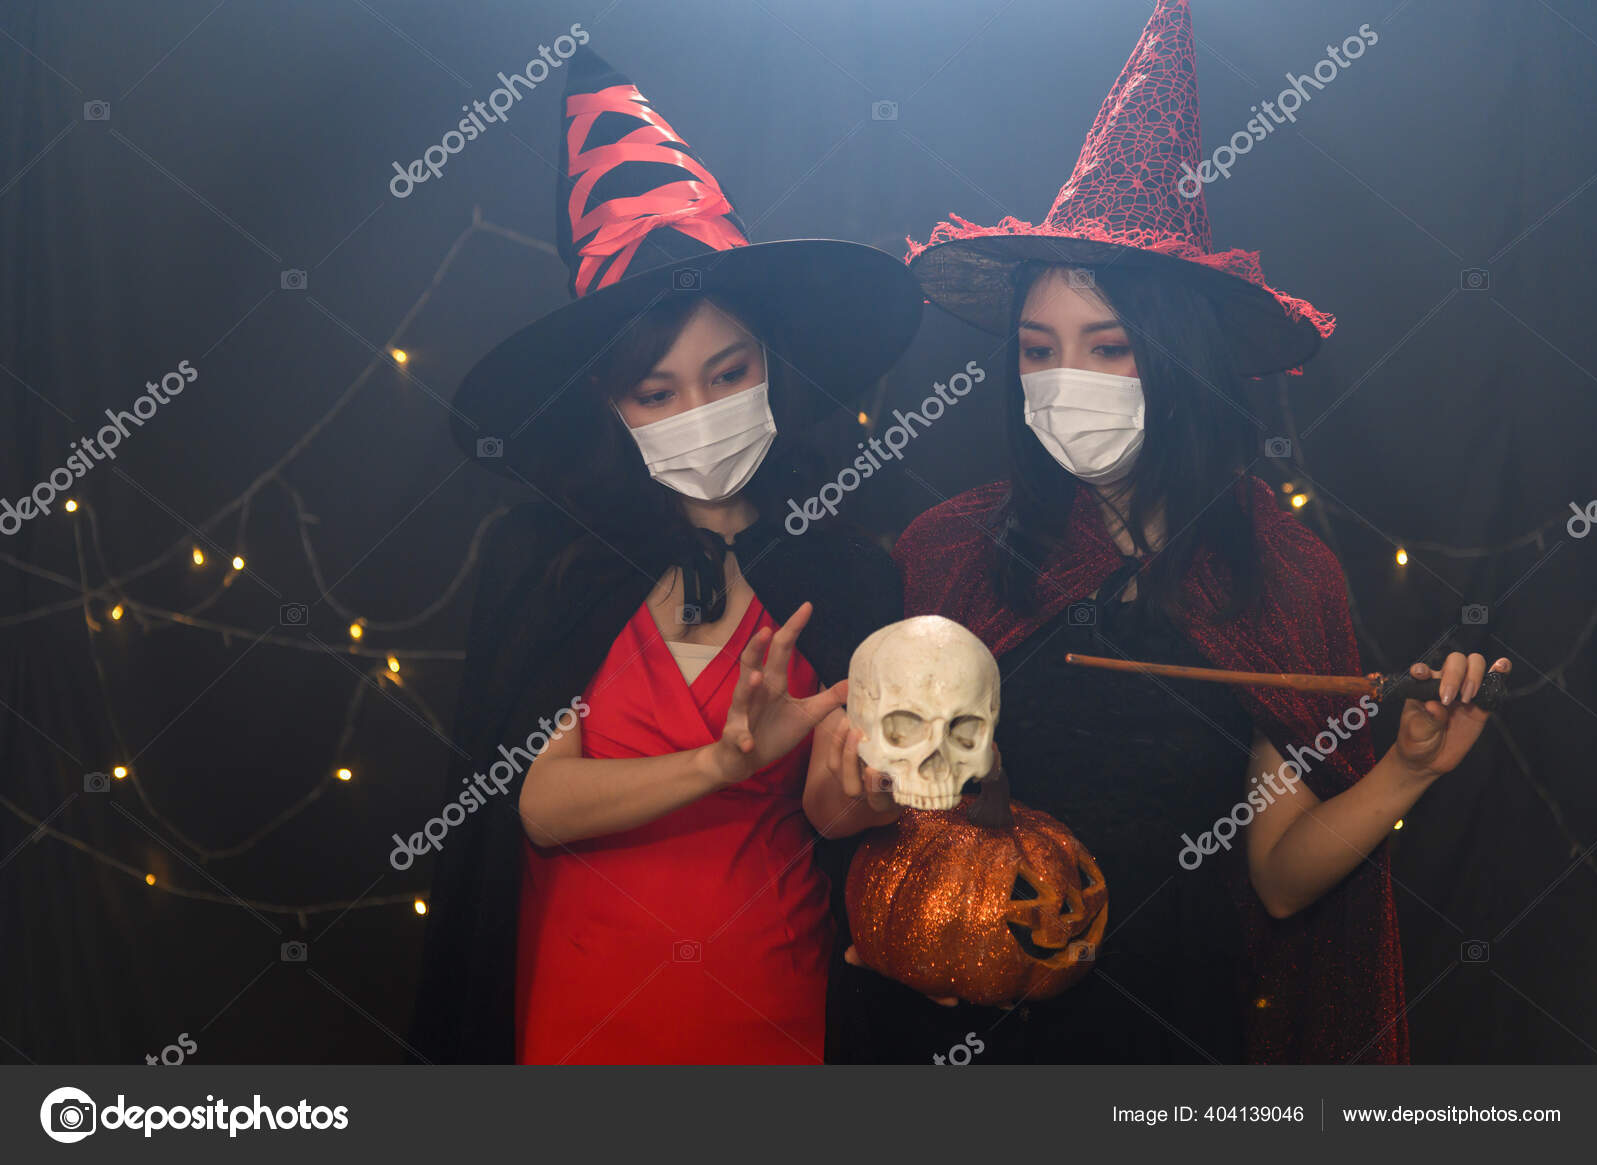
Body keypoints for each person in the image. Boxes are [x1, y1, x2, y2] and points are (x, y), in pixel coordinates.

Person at [818, 0, 1508, 1065]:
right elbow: (884, 820)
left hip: (1169, 1036)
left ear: (1179, 367)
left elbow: (1277, 875)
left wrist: (1405, 772)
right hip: (953, 1028)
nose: (1064, 381)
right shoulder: (947, 553)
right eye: (1039, 349)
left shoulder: (1277, 573)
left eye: (1108, 348)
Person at [408, 47, 918, 1064]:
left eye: (727, 373)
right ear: (611, 404)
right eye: (659, 391)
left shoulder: (849, 574)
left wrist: (893, 778)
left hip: (773, 1004)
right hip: (581, 1005)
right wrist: (722, 761)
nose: (701, 411)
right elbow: (540, 809)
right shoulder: (548, 564)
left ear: (771, 366)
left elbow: (831, 808)